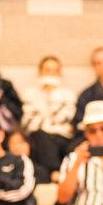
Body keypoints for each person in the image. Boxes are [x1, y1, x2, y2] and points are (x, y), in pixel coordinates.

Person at [20, 55, 77, 183]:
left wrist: (53, 96)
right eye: (47, 70)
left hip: (62, 140)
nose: (51, 74)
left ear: (60, 73)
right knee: (41, 136)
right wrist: (51, 126)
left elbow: (65, 121)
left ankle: (53, 174)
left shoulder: (68, 94)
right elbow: (28, 125)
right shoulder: (30, 94)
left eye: (55, 71)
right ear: (40, 72)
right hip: (39, 139)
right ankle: (54, 173)